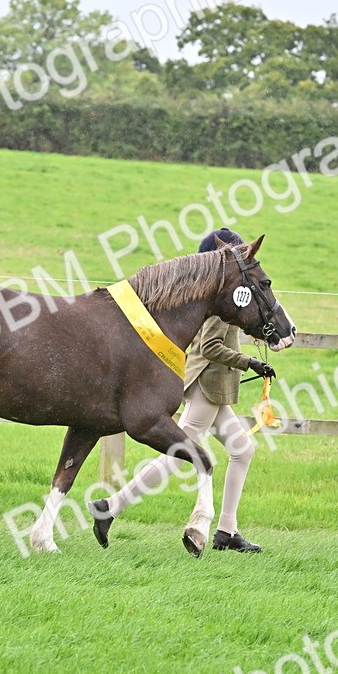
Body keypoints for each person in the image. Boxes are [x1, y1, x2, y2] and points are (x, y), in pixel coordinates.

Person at [89, 228, 274, 553]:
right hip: (206, 386)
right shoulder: (222, 296)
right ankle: (111, 507)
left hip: (215, 388)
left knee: (242, 450)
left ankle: (227, 530)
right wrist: (249, 363)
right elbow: (210, 346)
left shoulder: (218, 292)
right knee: (177, 455)